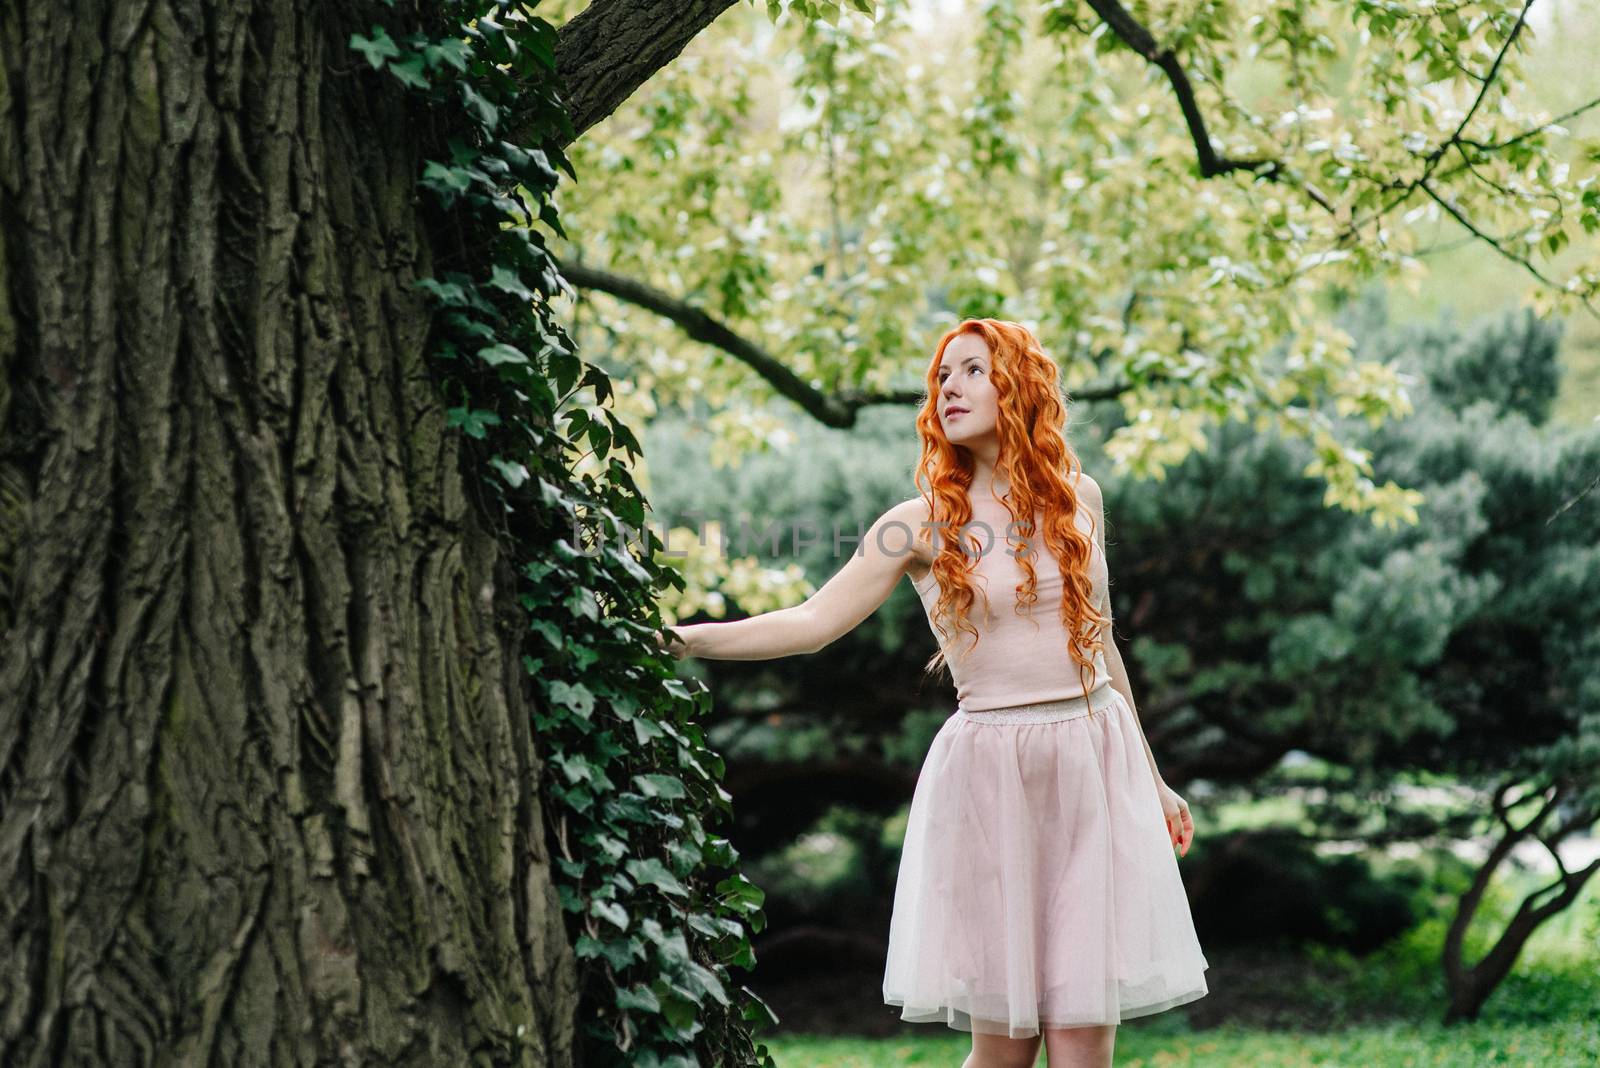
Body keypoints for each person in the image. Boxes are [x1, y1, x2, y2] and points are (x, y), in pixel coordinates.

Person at [658, 319, 1209, 1067]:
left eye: (973, 371)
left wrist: (1156, 780)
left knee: (1084, 1041)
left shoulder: (1081, 499)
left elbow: (1101, 646)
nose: (949, 387)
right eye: (943, 376)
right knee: (1006, 1048)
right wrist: (686, 639)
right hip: (993, 779)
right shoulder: (915, 527)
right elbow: (814, 621)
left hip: (1094, 765)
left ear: (1018, 385)